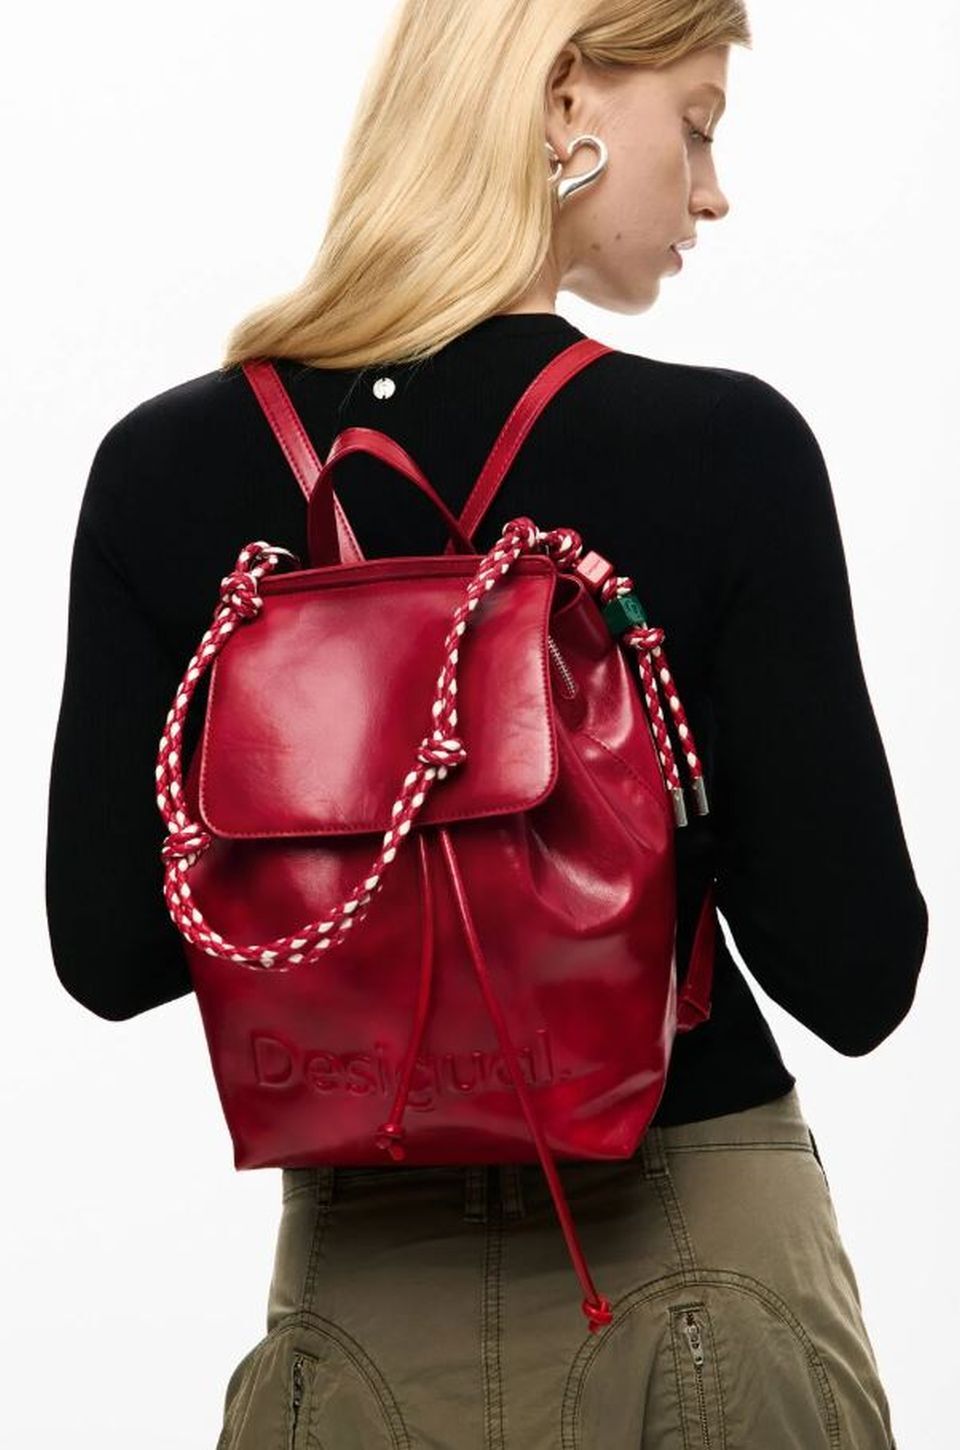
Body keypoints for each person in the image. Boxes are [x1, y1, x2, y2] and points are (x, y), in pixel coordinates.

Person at [45, 2, 927, 1446]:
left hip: (356, 1299)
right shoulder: (726, 452)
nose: (711, 191)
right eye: (697, 125)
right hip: (695, 1270)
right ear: (566, 96)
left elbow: (109, 952)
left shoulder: (164, 470)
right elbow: (856, 972)